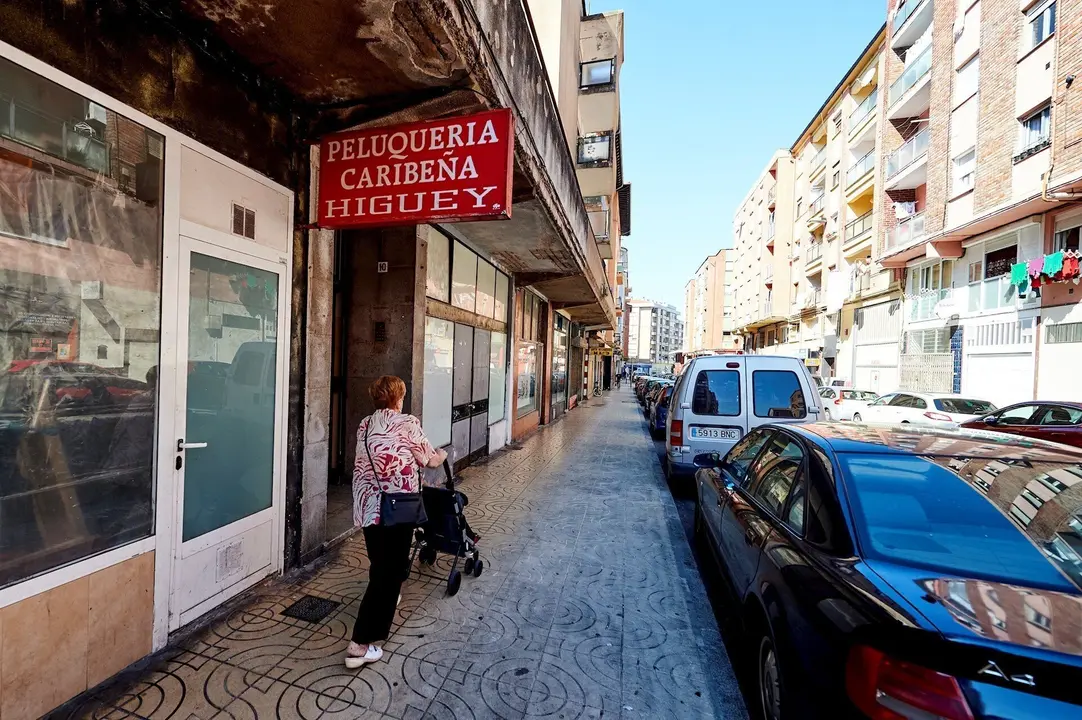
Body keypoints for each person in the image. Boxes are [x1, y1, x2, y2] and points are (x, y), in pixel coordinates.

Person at [345, 375, 447, 669]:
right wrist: (441, 455)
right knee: (386, 574)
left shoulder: (365, 424)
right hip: (397, 507)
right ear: (398, 398)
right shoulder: (407, 423)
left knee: (380, 566)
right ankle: (360, 644)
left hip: (368, 506)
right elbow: (428, 460)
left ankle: (390, 599)